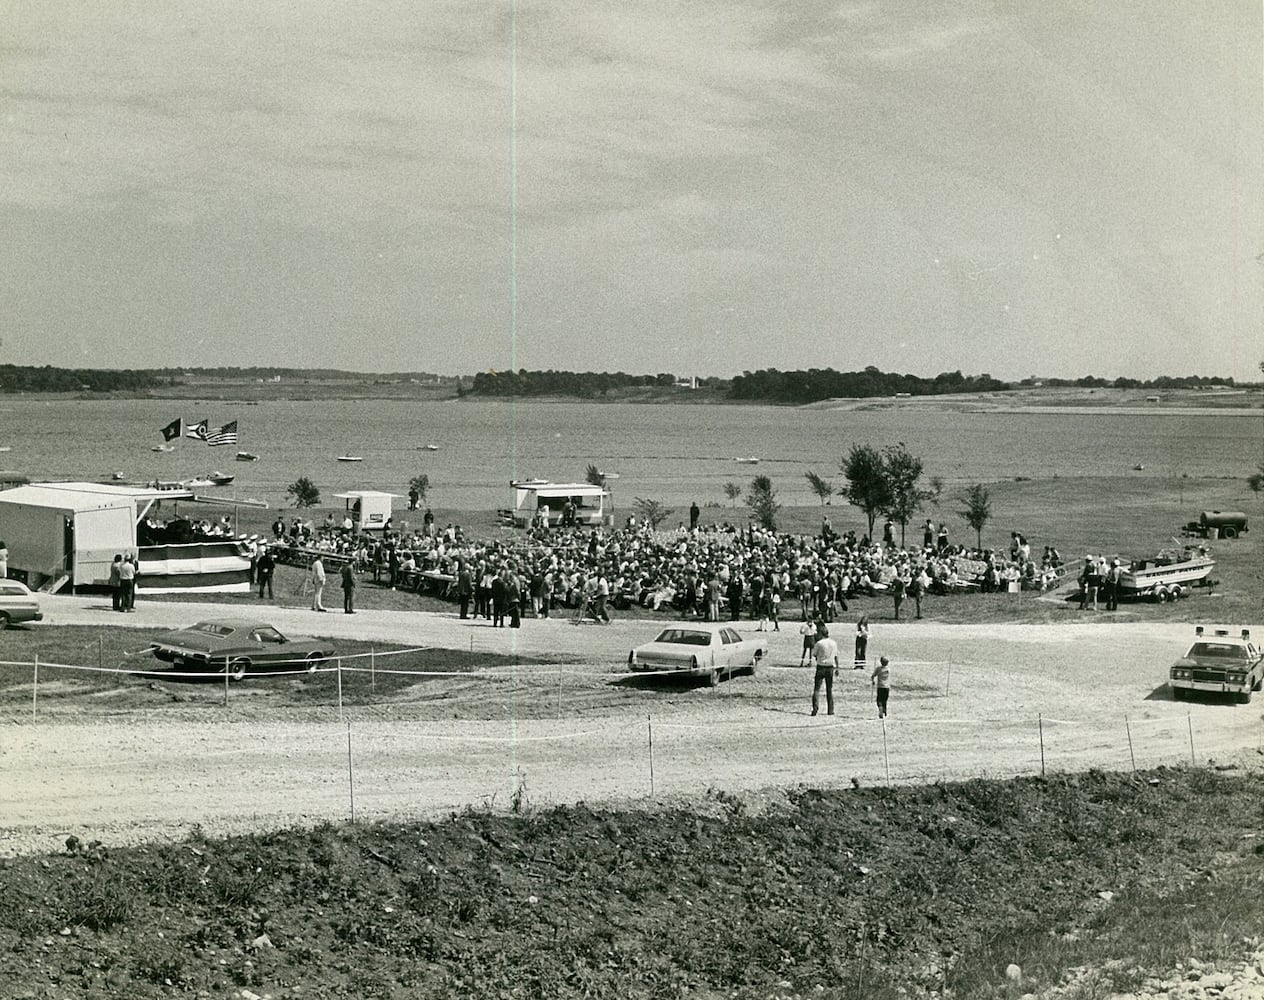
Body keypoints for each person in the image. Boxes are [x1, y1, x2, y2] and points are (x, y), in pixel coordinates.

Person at [810, 622, 840, 717]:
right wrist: (837, 667)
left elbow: (814, 654)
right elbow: (836, 656)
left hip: (821, 666)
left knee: (817, 689)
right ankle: (830, 710)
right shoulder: (833, 643)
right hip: (830, 667)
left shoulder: (819, 643)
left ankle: (815, 708)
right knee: (829, 689)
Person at [871, 655, 891, 719]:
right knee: (885, 700)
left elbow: (873, 676)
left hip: (880, 686)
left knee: (879, 700)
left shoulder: (879, 669)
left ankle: (880, 709)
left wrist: (873, 681)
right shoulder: (888, 669)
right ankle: (884, 712)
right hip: (887, 687)